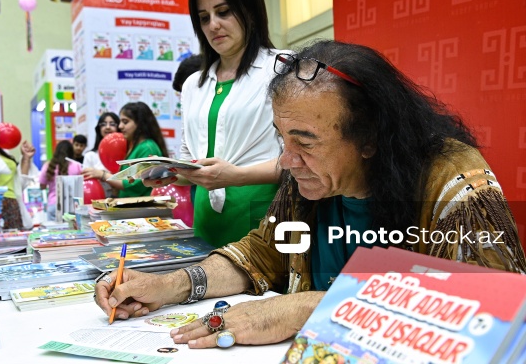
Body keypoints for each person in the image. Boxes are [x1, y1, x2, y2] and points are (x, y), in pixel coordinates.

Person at [95, 39, 526, 350]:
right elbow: (263, 254)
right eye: (281, 138)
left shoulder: (453, 181)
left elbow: (496, 308)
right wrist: (170, 284)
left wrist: (307, 308)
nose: (286, 160)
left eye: (305, 141)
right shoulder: (306, 184)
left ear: (370, 138)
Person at [151, 0, 287, 248]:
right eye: (203, 17)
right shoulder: (193, 85)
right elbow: (191, 158)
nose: (213, 25)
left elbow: (302, 159)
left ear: (249, 9)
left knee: (268, 290)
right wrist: (168, 174)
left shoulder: (283, 68)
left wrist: (236, 176)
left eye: (223, 12)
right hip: (207, 220)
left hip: (266, 215)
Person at [83, 102, 168, 197]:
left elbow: (133, 184)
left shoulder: (147, 148)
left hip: (141, 207)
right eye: (120, 122)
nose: (120, 126)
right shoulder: (136, 146)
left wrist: (102, 175)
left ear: (139, 123)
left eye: (125, 122)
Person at [39, 140, 81, 221]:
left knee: (53, 233)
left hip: (53, 205)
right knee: (73, 232)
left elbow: (42, 186)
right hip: (72, 206)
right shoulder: (77, 166)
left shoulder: (48, 165)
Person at [82, 112, 120, 198]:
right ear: (99, 129)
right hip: (98, 202)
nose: (107, 127)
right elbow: (87, 184)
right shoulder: (90, 156)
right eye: (103, 124)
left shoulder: (127, 154)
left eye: (112, 124)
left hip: (124, 200)